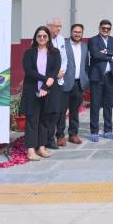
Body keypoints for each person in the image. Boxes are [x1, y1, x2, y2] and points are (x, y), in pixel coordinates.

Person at [22, 26, 61, 161]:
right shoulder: (29, 53)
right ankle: (31, 150)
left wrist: (45, 87)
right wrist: (45, 80)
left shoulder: (55, 52)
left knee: (45, 120)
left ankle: (41, 147)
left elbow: (55, 70)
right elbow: (29, 71)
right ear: (35, 38)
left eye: (45, 36)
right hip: (32, 90)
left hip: (48, 91)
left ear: (48, 38)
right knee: (32, 120)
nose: (42, 38)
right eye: (39, 36)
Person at [87, 19, 113, 142]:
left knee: (108, 105)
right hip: (97, 77)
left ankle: (108, 130)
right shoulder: (93, 40)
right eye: (103, 28)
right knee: (95, 105)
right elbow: (95, 54)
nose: (105, 30)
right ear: (99, 28)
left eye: (108, 28)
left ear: (110, 29)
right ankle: (94, 132)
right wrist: (112, 54)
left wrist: (106, 52)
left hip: (110, 76)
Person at [57, 23, 89, 146]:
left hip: (78, 83)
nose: (77, 34)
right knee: (62, 111)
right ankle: (60, 135)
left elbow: (86, 64)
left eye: (79, 32)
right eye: (75, 32)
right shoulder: (63, 45)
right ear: (71, 32)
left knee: (75, 111)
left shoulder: (85, 47)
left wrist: (85, 78)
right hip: (65, 82)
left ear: (82, 33)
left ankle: (73, 134)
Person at [45, 17, 67, 149]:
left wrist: (62, 71)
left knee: (57, 110)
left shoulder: (61, 39)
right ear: (48, 26)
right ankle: (47, 138)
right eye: (56, 26)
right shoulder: (43, 38)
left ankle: (53, 137)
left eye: (60, 26)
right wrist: (54, 73)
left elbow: (64, 58)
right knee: (48, 110)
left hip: (59, 80)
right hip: (48, 80)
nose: (58, 28)